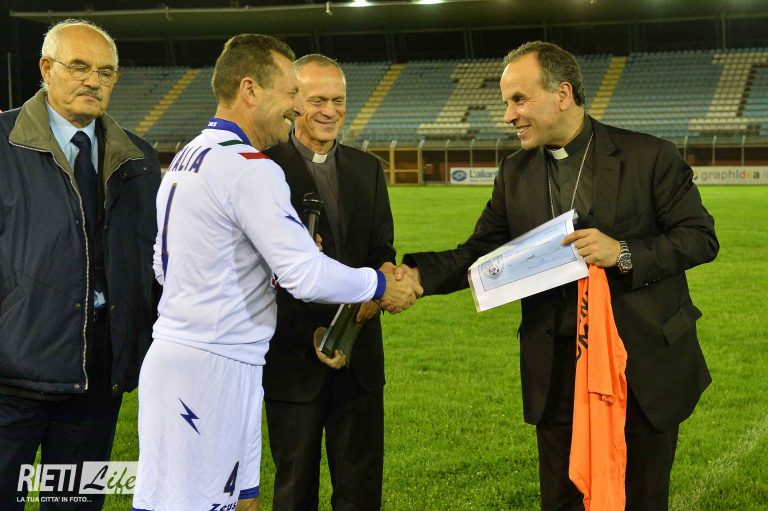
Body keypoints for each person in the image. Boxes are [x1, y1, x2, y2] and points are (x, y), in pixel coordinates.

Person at [397, 41, 718, 510]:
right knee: (562, 499)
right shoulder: (515, 171)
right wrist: (416, 275)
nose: (508, 115)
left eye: (519, 100)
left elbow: (700, 238)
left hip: (639, 367)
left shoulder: (649, 156)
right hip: (557, 372)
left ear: (562, 94)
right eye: (507, 102)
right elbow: (481, 253)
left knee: (642, 498)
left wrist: (622, 252)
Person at [131, 35, 420, 511]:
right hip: (214, 365)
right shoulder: (251, 167)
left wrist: (267, 265)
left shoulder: (190, 155)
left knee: (234, 501)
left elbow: (163, 266)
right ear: (250, 89)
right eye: (291, 94)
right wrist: (382, 283)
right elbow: (305, 276)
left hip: (197, 356)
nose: (295, 107)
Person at [0, 19, 161, 509]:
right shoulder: (2, 143)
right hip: (11, 377)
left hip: (98, 377)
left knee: (77, 504)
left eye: (106, 72)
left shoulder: (139, 158)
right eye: (79, 67)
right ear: (46, 68)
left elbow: (155, 261)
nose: (93, 80)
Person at [262, 54, 393, 511]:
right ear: (293, 102)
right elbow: (259, 268)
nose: (330, 110)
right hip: (292, 360)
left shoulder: (367, 168)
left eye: (338, 100)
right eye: (318, 100)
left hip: (359, 357)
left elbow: (382, 250)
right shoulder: (263, 168)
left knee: (360, 491)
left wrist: (372, 298)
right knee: (294, 490)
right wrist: (315, 330)